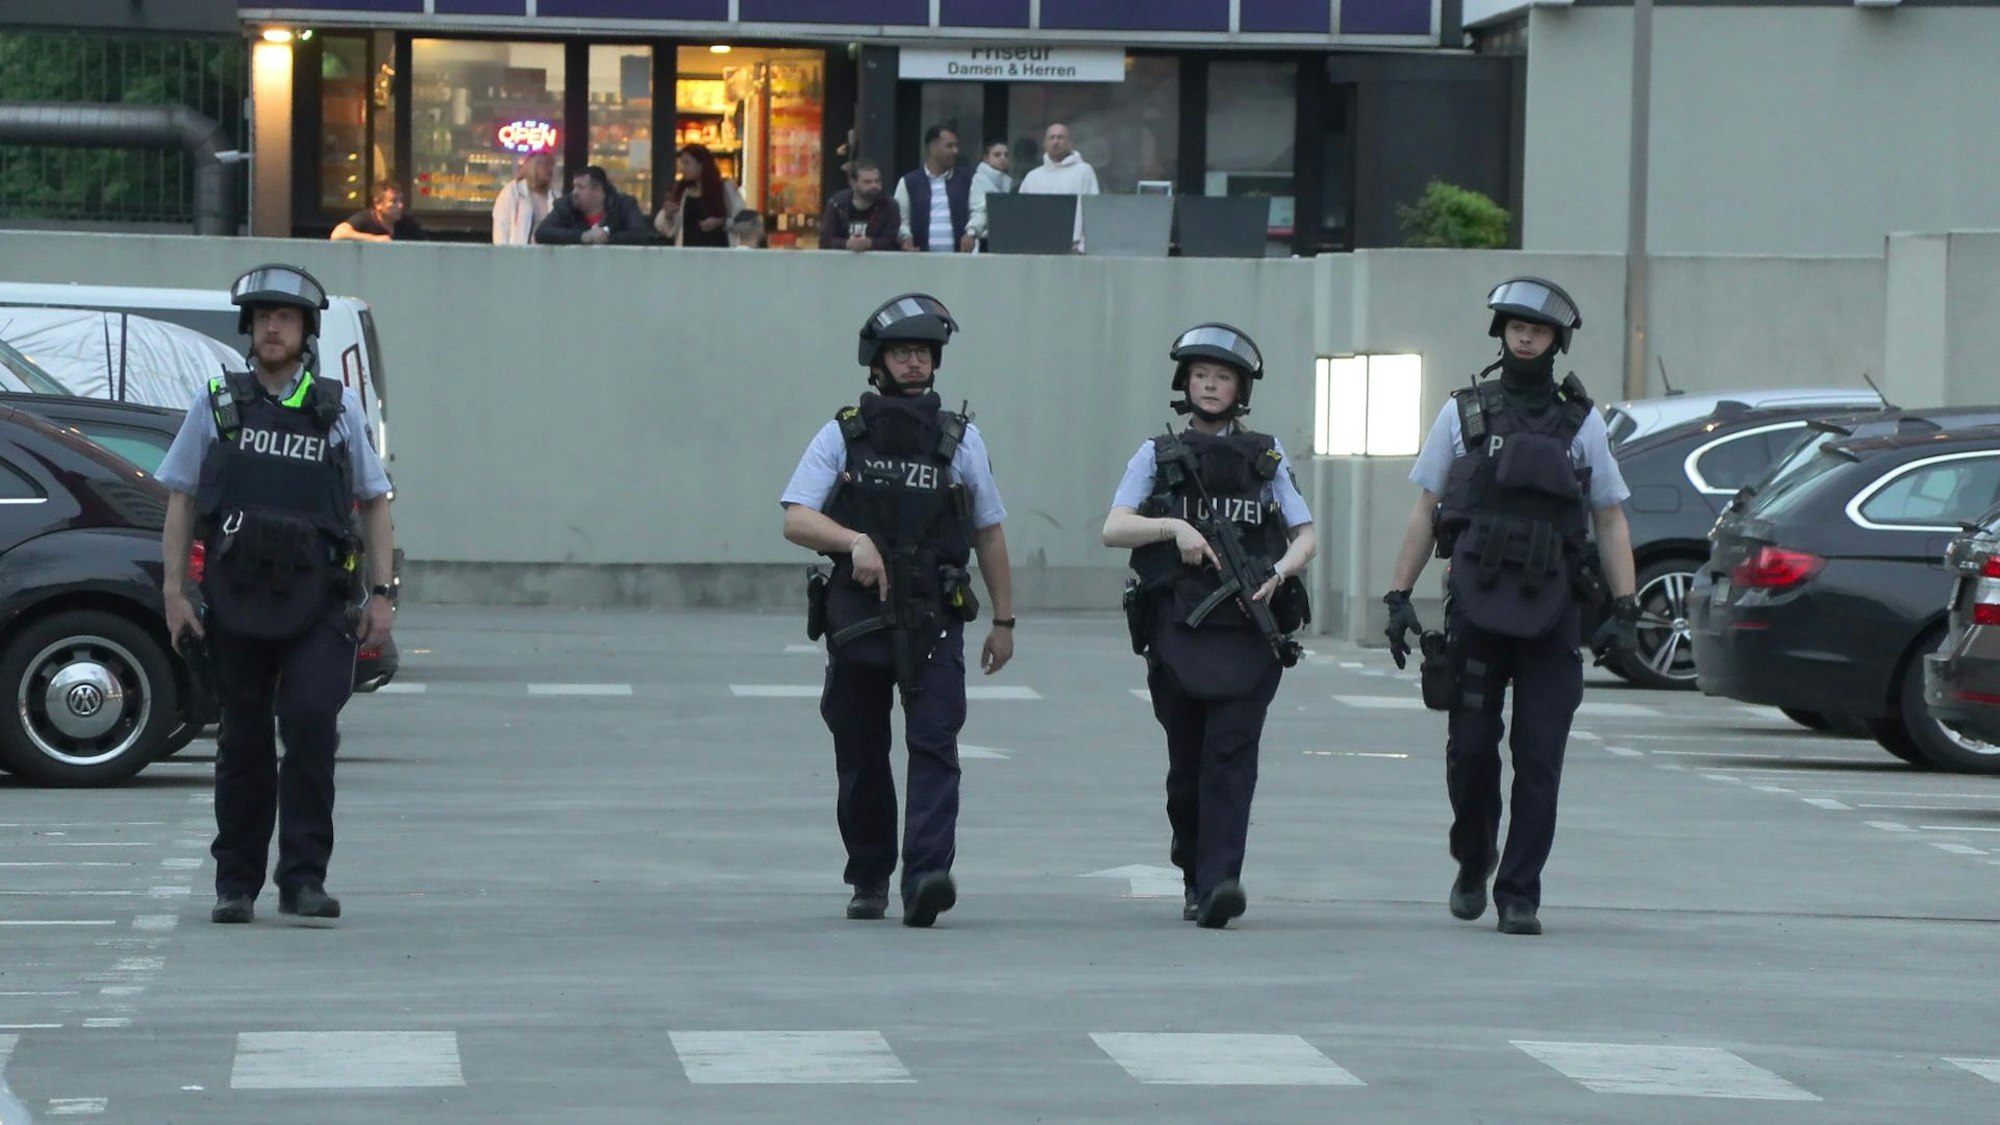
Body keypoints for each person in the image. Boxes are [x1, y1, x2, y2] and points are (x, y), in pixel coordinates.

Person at [1381, 276, 1638, 937]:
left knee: (1540, 755)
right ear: (1501, 333)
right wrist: (1399, 594)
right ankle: (1474, 857)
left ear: (1557, 340)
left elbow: (1609, 518)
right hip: (1475, 609)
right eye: (1517, 327)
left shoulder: (1581, 422)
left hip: (1553, 612)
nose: (1526, 338)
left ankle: (1519, 891)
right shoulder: (1464, 412)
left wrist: (1626, 605)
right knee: (1469, 751)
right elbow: (1425, 507)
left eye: (1539, 330)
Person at [155, 264, 396, 926]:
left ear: (305, 332)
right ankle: (236, 882)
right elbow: (181, 499)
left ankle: (303, 878)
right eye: (262, 317)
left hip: (319, 599)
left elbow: (375, 503)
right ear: (249, 328)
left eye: (284, 318)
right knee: (244, 743)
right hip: (236, 600)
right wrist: (174, 591)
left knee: (312, 724)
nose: (271, 327)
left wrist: (384, 592)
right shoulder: (217, 403)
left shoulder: (336, 406)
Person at [780, 293, 1016, 928]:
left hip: (934, 613)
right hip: (857, 615)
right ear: (877, 362)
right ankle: (870, 875)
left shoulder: (960, 440)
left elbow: (989, 532)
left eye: (923, 353)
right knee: (860, 749)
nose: (914, 363)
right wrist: (853, 541)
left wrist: (1004, 620)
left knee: (935, 743)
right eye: (901, 353)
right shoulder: (842, 433)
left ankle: (926, 877)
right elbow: (797, 518)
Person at [1101, 325, 1316, 930]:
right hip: (1179, 629)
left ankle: (1220, 881)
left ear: (1240, 388)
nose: (1211, 386)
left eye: (1222, 377)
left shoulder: (1267, 458)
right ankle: (1194, 858)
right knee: (1187, 765)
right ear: (1185, 383)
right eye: (1201, 376)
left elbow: (1307, 537)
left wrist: (1279, 571)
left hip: (1250, 628)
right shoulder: (1158, 455)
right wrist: (1174, 530)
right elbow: (1114, 526)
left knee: (1233, 757)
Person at [1016, 123, 1100, 252]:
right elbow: (1022, 215)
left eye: (1060, 137)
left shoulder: (1084, 172)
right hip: (1039, 247)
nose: (1055, 142)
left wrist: (1084, 244)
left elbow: (1093, 211)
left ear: (1069, 143)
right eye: (1052, 137)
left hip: (1074, 248)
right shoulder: (1033, 177)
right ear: (1045, 143)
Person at [894, 125, 973, 254]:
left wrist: (971, 233)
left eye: (956, 146)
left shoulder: (967, 180)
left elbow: (978, 211)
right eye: (949, 146)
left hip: (960, 262)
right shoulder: (909, 182)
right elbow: (900, 218)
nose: (955, 151)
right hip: (922, 262)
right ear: (932, 147)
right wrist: (905, 237)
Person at [653, 144, 747, 248]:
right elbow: (664, 228)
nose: (682, 169)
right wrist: (668, 215)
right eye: (681, 163)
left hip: (720, 253)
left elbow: (745, 221)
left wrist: (721, 223)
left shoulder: (725, 189)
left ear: (701, 164)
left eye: (687, 163)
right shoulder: (683, 192)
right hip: (688, 256)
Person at [534, 165, 654, 245]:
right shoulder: (566, 205)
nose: (574, 192)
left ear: (597, 190)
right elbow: (542, 233)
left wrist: (606, 238)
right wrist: (582, 237)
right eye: (574, 186)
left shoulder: (624, 205)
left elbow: (640, 236)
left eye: (581, 187)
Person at [818, 161, 901, 253]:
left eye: (877, 181)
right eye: (867, 182)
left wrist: (869, 243)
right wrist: (847, 244)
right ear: (853, 183)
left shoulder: (889, 206)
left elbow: (891, 241)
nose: (874, 186)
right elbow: (826, 240)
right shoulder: (837, 204)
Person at [492, 152, 559, 246]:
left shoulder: (556, 196)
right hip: (518, 256)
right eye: (546, 164)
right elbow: (502, 228)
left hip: (547, 256)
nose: (550, 169)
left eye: (552, 165)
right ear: (534, 167)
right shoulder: (512, 192)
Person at [330, 181, 423, 243]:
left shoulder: (409, 223)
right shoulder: (364, 219)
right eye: (394, 201)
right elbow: (337, 234)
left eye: (401, 200)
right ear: (378, 204)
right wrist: (374, 239)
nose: (400, 205)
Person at [965, 138, 1014, 251]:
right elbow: (979, 209)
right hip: (984, 238)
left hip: (1004, 238)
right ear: (986, 158)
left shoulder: (1008, 181)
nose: (1003, 158)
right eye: (997, 155)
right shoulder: (979, 179)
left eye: (1006, 155)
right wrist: (972, 231)